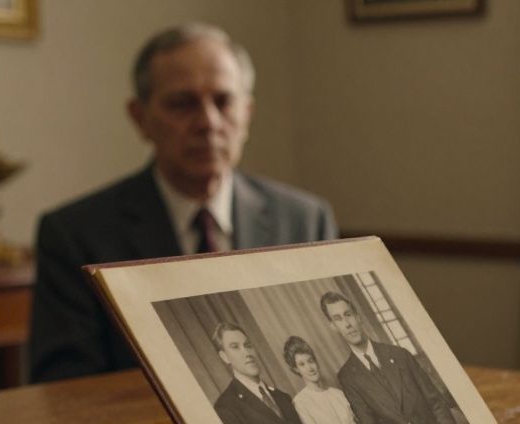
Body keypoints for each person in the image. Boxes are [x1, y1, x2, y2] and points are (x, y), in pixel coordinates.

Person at [28, 23, 338, 383]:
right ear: (139, 118)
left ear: (247, 114)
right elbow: (64, 389)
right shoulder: (76, 235)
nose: (208, 122)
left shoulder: (305, 220)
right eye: (182, 104)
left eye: (223, 101)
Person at [320, 291, 460, 424]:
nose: (347, 324)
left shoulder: (400, 355)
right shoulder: (348, 377)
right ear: (333, 326)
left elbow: (437, 403)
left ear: (358, 316)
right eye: (338, 319)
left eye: (348, 315)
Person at [282, 335, 385, 424]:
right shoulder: (300, 402)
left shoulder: (338, 393)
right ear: (295, 369)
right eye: (302, 364)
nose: (310, 368)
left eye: (311, 361)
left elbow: (361, 423)